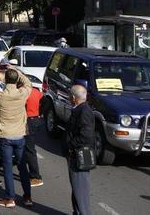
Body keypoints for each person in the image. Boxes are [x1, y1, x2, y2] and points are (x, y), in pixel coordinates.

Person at [0, 68, 32, 208]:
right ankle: (27, 196)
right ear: (16, 80)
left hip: (5, 135)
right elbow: (28, 83)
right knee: (22, 167)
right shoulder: (23, 93)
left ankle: (10, 198)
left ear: (4, 80)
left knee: (8, 168)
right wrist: (18, 72)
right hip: (20, 135)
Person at [65, 85, 95, 215]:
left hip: (79, 155)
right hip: (77, 154)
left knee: (80, 189)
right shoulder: (80, 109)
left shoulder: (84, 111)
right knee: (77, 188)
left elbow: (86, 135)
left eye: (69, 96)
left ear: (73, 98)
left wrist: (71, 145)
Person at [23, 72, 44, 190]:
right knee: (29, 147)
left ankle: (36, 176)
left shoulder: (24, 93)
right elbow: (44, 103)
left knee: (29, 149)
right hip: (35, 120)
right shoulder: (37, 92)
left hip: (28, 121)